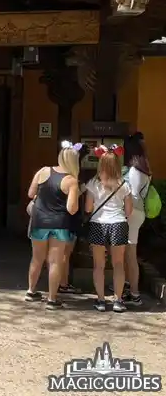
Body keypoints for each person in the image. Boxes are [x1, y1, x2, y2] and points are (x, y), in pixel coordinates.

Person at [25, 141, 81, 310]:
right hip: (60, 224)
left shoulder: (43, 171)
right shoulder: (71, 181)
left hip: (39, 221)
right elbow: (72, 209)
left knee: (37, 258)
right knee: (55, 262)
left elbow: (30, 193)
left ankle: (31, 291)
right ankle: (51, 299)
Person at [85, 144, 132, 313]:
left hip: (98, 224)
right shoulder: (124, 184)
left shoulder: (93, 184)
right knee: (118, 264)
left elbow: (88, 208)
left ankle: (101, 300)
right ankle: (118, 300)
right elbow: (128, 211)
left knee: (99, 265)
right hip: (118, 223)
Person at [122, 132, 150, 307]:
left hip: (131, 213)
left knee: (130, 254)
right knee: (127, 253)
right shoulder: (144, 169)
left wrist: (124, 214)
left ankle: (134, 293)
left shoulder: (134, 171)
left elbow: (132, 196)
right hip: (137, 213)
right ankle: (128, 287)